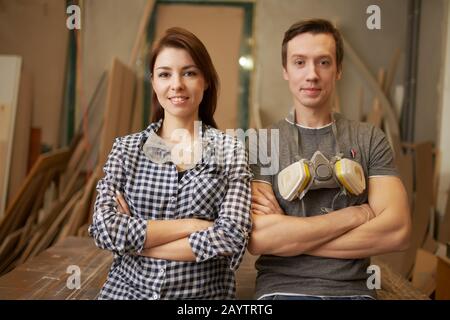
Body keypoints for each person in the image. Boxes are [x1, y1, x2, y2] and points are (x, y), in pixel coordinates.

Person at [247, 19, 411, 300]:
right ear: (285, 70)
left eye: (323, 62)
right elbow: (259, 238)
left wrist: (291, 238)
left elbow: (398, 231)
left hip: (354, 292)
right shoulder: (263, 143)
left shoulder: (369, 138)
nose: (311, 74)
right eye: (299, 62)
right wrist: (355, 215)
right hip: (283, 290)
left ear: (339, 70)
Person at [88, 27, 252, 300]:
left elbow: (231, 236)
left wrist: (135, 243)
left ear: (206, 80)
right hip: (126, 293)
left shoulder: (230, 150)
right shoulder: (126, 149)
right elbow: (105, 229)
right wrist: (194, 224)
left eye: (189, 72)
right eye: (165, 74)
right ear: (153, 81)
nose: (177, 84)